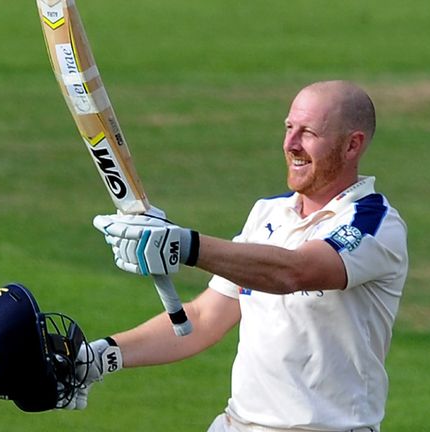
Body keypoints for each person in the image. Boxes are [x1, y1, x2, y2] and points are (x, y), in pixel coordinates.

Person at [90, 80, 408, 431]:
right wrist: (101, 356)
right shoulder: (267, 214)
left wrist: (185, 246)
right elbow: (203, 317)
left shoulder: (375, 224)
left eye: (308, 133)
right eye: (289, 128)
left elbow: (295, 272)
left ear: (352, 145)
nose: (290, 144)